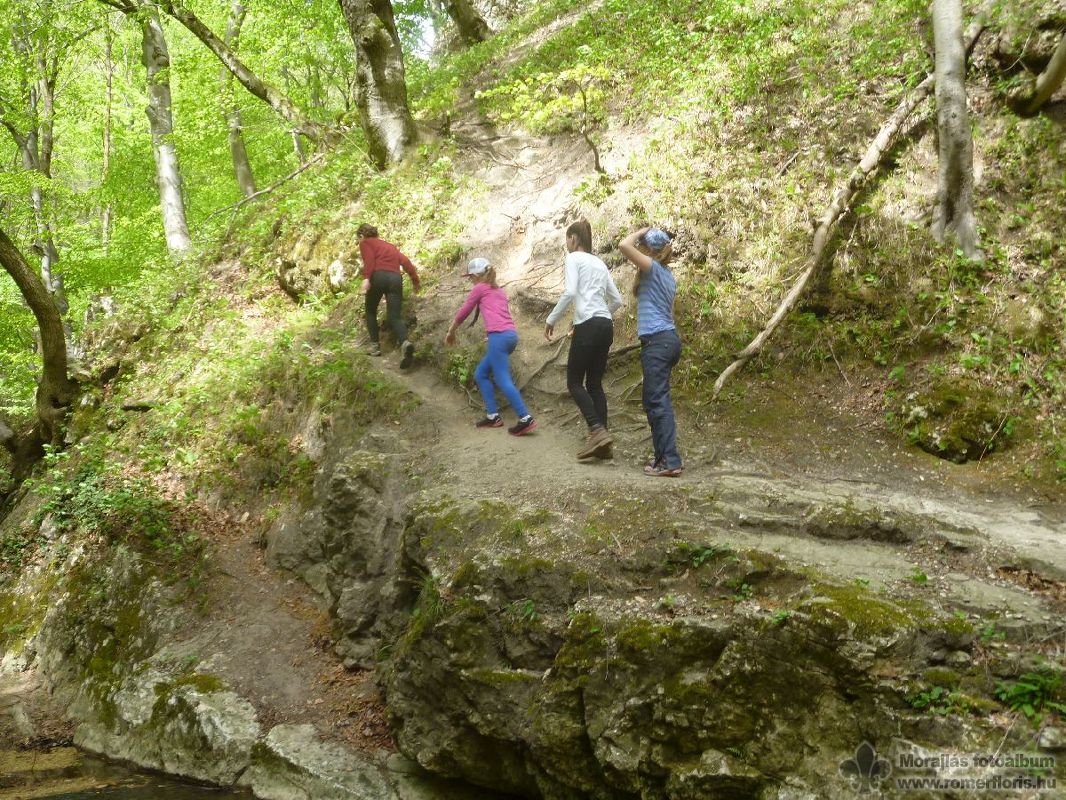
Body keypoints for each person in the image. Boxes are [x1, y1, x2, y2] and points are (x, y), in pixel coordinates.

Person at [545, 219, 623, 460]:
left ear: (574, 238)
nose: (567, 244)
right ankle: (603, 444)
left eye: (568, 239)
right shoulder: (599, 263)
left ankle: (596, 430)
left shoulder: (573, 259)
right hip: (605, 325)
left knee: (575, 382)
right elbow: (617, 301)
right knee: (595, 384)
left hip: (588, 325)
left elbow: (570, 292)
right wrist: (599, 315)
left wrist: (551, 319)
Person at [444, 257, 537, 436]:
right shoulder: (499, 290)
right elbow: (499, 314)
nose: (470, 279)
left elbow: (465, 310)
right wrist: (493, 337)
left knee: (503, 379)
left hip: (499, 338)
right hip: (509, 336)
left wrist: (451, 331)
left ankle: (525, 418)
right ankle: (493, 416)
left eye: (471, 276)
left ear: (478, 275)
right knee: (481, 373)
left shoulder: (480, 288)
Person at [618, 226, 683, 477]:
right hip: (666, 340)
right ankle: (663, 458)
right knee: (654, 401)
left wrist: (640, 230)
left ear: (648, 250)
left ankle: (670, 460)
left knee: (657, 402)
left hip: (658, 342)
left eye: (643, 246)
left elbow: (624, 245)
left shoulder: (653, 269)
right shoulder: (666, 275)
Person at [357, 223, 420, 368]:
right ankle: (405, 342)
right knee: (394, 317)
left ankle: (374, 346)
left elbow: (370, 260)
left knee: (370, 310)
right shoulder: (390, 246)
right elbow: (405, 261)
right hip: (395, 279)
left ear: (361, 236)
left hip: (378, 276)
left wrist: (366, 278)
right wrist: (415, 280)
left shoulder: (365, 243)